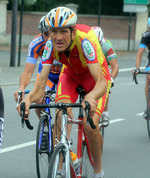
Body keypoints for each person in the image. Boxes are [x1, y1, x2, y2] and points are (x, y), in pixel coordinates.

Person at [17, 7, 111, 178]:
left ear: (73, 32)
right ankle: (60, 169)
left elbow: (101, 82)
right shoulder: (49, 46)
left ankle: (98, 171)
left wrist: (90, 96)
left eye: (63, 32)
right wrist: (28, 99)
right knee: (60, 112)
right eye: (53, 31)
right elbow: (40, 86)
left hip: (95, 78)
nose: (58, 37)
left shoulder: (85, 41)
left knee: (90, 127)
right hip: (70, 75)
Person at [14, 15, 62, 118]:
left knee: (62, 102)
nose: (49, 38)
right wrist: (21, 87)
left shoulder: (63, 42)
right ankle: (44, 127)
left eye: (51, 33)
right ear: (41, 33)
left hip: (64, 73)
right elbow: (28, 72)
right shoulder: (36, 44)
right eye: (45, 34)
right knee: (39, 101)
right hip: (48, 74)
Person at [92, 26, 119, 127]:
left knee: (105, 85)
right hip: (92, 65)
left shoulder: (106, 46)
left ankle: (105, 114)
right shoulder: (86, 44)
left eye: (97, 44)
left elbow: (115, 66)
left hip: (105, 66)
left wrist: (111, 78)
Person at [133, 17, 150, 118]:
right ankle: (148, 107)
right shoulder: (146, 35)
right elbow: (140, 53)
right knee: (148, 78)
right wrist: (137, 68)